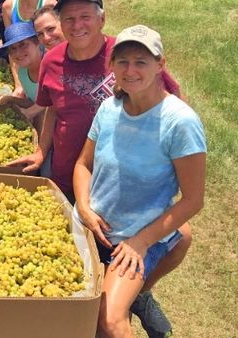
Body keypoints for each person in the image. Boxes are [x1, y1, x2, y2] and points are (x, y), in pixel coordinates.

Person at [73, 25, 205, 338]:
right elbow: (83, 164)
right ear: (112, 66)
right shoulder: (108, 109)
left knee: (110, 320)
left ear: (161, 64)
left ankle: (133, 296)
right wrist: (83, 206)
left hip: (131, 240)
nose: (130, 70)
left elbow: (193, 200)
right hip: (89, 230)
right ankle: (137, 296)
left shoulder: (180, 122)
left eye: (141, 61)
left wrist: (140, 242)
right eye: (122, 61)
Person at [8, 0, 116, 200]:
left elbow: (169, 103)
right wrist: (41, 151)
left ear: (101, 19)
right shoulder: (52, 60)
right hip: (65, 170)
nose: (77, 25)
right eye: (69, 19)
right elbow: (52, 109)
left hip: (113, 180)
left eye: (85, 16)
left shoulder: (124, 54)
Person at [0, 22, 46, 128]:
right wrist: (10, 99)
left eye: (23, 44)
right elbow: (34, 101)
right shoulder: (23, 73)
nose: (18, 53)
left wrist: (29, 112)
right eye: (13, 48)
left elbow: (57, 99)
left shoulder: (51, 65)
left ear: (36, 42)